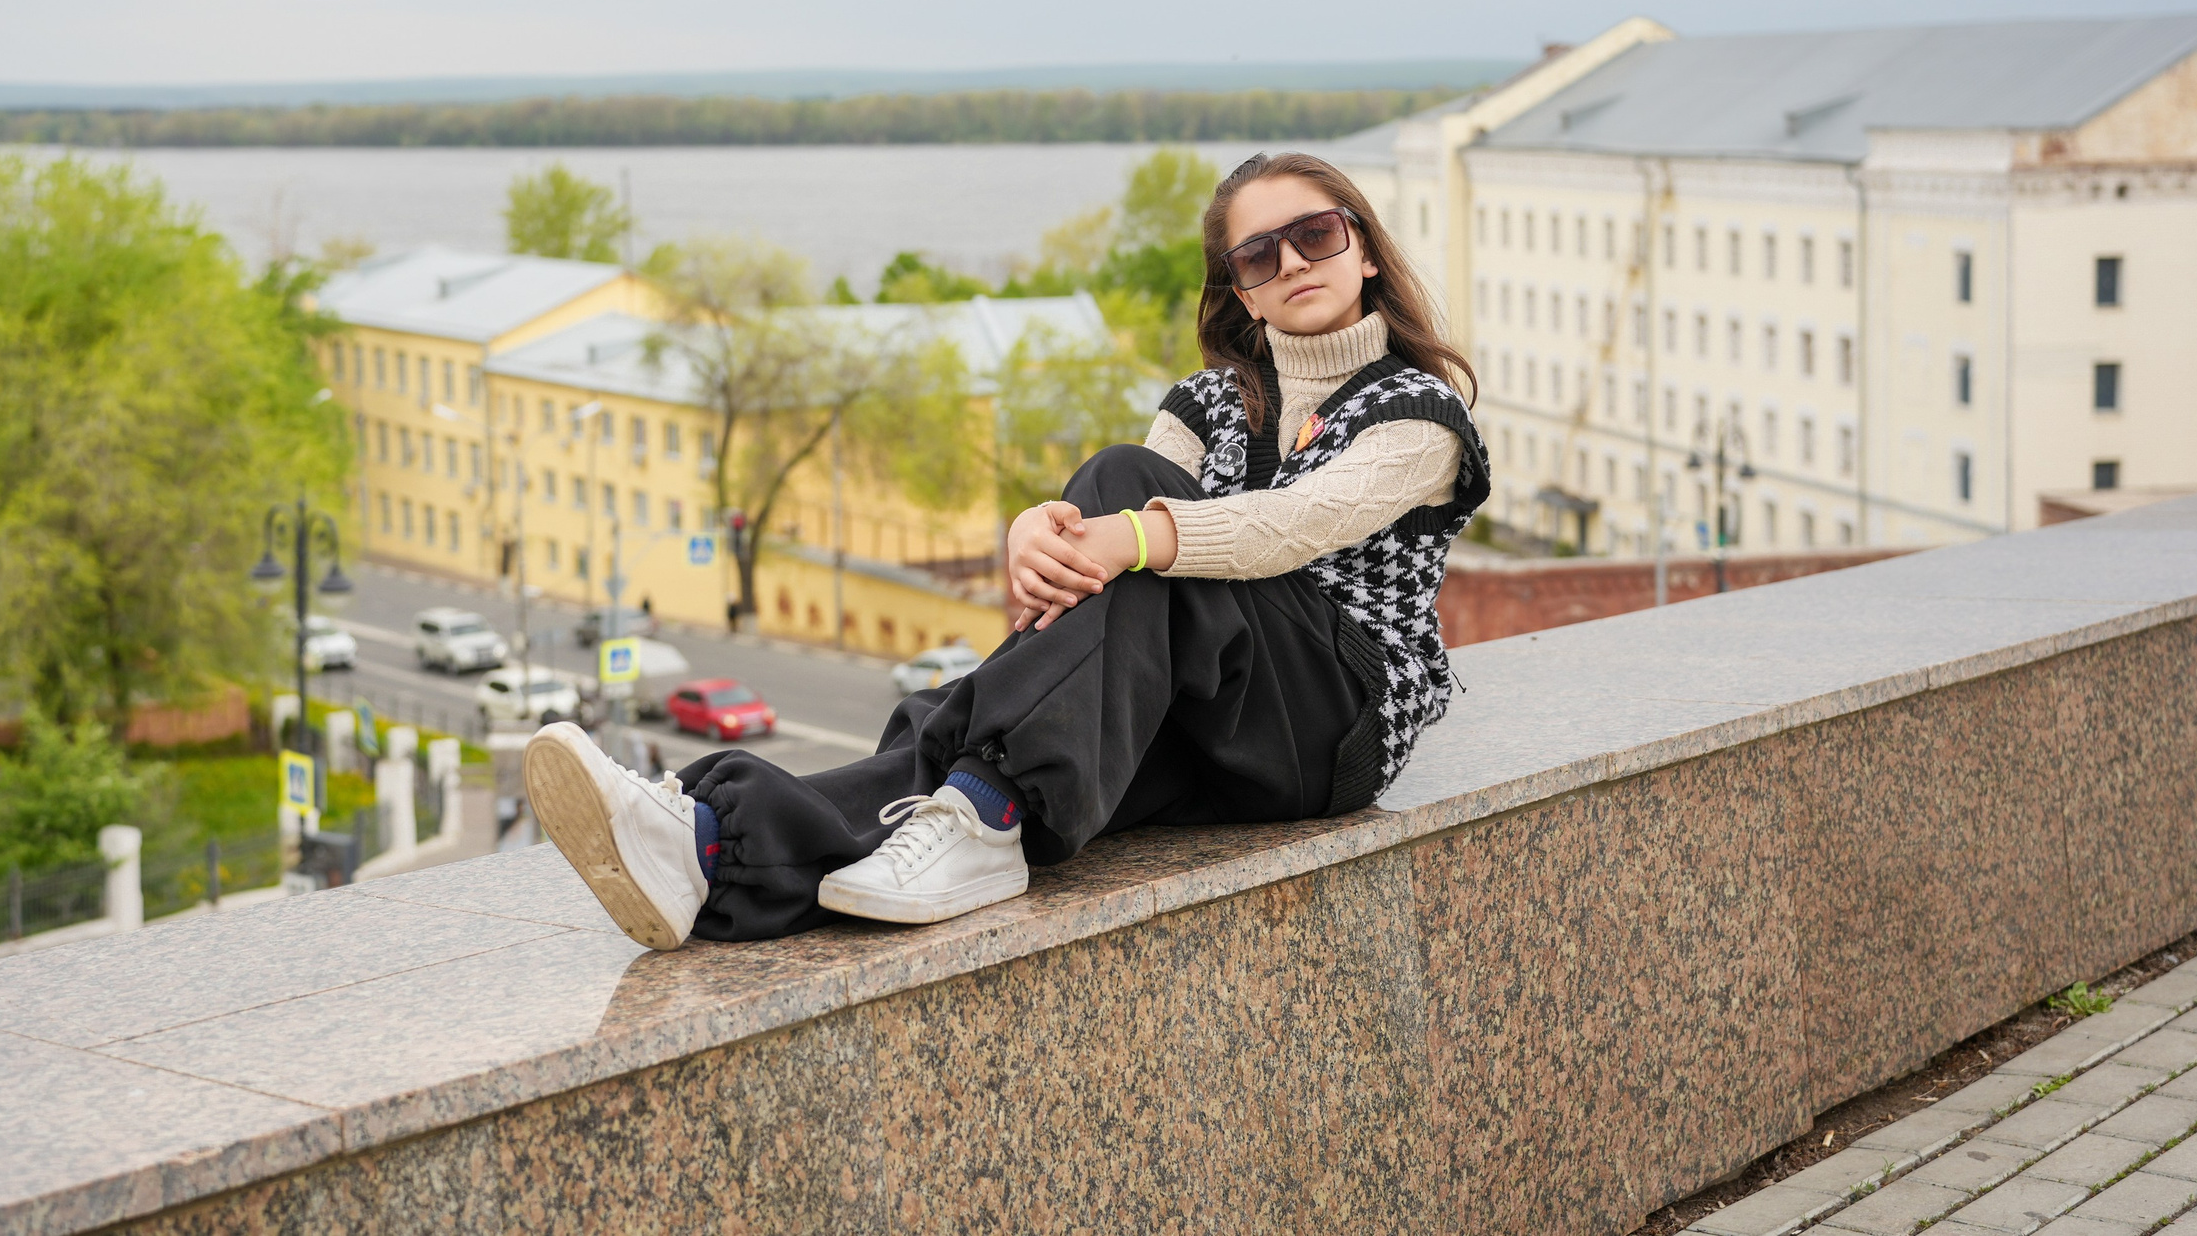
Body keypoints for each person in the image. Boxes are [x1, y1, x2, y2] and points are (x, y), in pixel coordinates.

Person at [523, 152, 1489, 949]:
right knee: (1003, 753)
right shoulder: (1207, 402)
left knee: (1121, 487)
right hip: (1215, 719)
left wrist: (1118, 531)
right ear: (1240, 289)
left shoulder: (1420, 412)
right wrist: (1038, 527)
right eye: (1258, 254)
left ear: (1365, 248)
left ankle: (973, 809)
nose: (1292, 262)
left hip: (1331, 720)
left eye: (1316, 234)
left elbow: (1292, 525)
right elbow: (1113, 549)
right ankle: (709, 848)